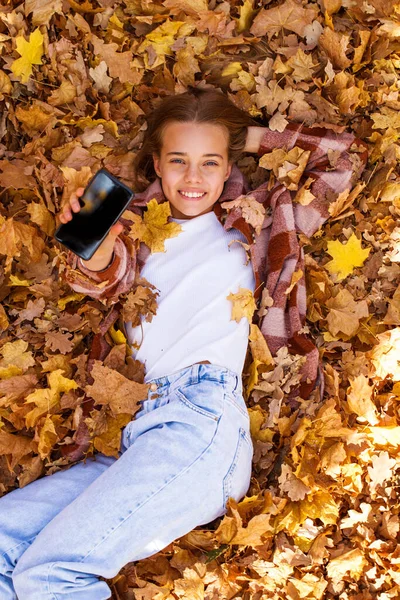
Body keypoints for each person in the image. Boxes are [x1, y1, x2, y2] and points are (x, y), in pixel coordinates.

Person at [0, 87, 368, 599]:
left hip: (200, 422)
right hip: (132, 430)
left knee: (50, 574)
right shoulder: (136, 232)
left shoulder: (260, 220)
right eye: (178, 161)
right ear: (156, 163)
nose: (194, 178)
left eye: (210, 162)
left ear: (227, 166)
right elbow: (102, 276)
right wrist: (97, 241)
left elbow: (341, 158)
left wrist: (244, 137)